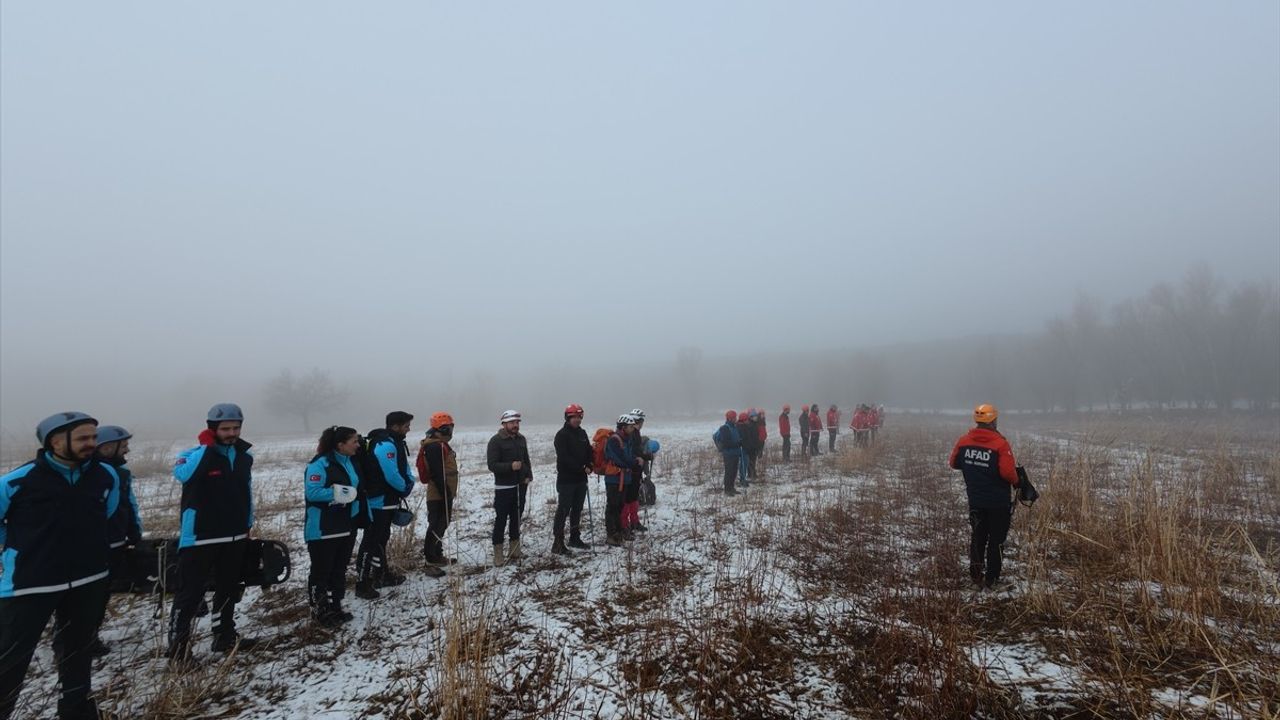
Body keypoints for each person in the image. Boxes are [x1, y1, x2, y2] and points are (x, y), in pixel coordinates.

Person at [1, 412, 120, 720]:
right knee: (10, 659)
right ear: (54, 441)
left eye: (93, 437)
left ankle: (77, 710)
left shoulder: (106, 475)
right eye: (83, 438)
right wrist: (21, 545)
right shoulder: (18, 481)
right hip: (31, 582)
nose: (91, 444)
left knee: (78, 652)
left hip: (89, 577)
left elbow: (107, 512)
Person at [166, 403, 259, 664]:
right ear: (211, 429)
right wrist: (206, 447)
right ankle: (178, 649)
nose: (231, 433)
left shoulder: (243, 457)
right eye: (225, 429)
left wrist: (247, 523)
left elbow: (246, 492)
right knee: (190, 594)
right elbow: (186, 475)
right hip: (200, 536)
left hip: (234, 535)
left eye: (236, 428)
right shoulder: (192, 455)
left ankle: (224, 635)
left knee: (228, 588)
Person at [949, 404, 1022, 589]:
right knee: (996, 540)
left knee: (978, 536)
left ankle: (975, 577)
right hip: (998, 502)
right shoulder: (1000, 444)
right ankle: (992, 580)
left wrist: (974, 468)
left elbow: (954, 463)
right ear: (993, 421)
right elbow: (1008, 473)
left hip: (975, 499)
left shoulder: (964, 441)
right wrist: (1018, 482)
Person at [303, 426, 365, 626]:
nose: (358, 444)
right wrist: (342, 494)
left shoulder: (350, 462)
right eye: (354, 441)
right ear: (340, 445)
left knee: (339, 569)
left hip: (346, 525)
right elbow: (312, 492)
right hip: (322, 528)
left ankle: (335, 605)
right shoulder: (319, 464)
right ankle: (320, 611)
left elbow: (355, 490)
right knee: (322, 571)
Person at [92, 425, 143, 656]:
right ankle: (77, 640)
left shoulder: (122, 474)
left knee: (102, 593)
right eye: (123, 446)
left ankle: (89, 637)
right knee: (89, 596)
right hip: (94, 547)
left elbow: (128, 504)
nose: (127, 450)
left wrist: (134, 531)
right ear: (107, 447)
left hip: (115, 543)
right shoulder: (90, 474)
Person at [355, 411, 415, 599]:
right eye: (406, 426)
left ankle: (381, 575)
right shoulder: (385, 445)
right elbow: (390, 473)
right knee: (371, 541)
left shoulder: (394, 442)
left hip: (387, 501)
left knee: (381, 539)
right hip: (378, 501)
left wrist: (409, 482)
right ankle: (362, 582)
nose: (408, 429)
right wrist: (404, 488)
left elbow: (403, 467)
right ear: (395, 426)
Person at [487, 410, 532, 566]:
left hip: (520, 486)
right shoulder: (496, 441)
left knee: (516, 518)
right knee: (501, 519)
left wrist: (528, 476)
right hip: (503, 488)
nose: (515, 425)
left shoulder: (521, 439)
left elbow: (526, 459)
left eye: (517, 422)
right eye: (512, 422)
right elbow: (492, 465)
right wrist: (510, 466)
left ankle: (514, 550)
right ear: (504, 423)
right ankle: (498, 554)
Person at [418, 412, 459, 572]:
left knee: (442, 523)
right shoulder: (435, 446)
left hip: (443, 492)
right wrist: (445, 492)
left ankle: (437, 554)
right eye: (449, 427)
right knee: (436, 525)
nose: (451, 431)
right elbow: (436, 472)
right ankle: (430, 560)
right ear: (442, 429)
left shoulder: (438, 444)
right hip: (438, 493)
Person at [552, 404, 593, 554]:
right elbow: (564, 458)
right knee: (563, 510)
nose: (577, 420)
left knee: (577, 509)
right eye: (573, 417)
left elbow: (588, 451)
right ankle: (557, 542)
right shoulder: (561, 435)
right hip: (566, 480)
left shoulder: (582, 433)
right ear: (568, 418)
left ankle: (575, 538)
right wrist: (582, 468)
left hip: (581, 480)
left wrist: (590, 464)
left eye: (579, 417)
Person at [605, 414, 643, 539]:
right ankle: (612, 534)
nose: (633, 429)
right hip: (614, 479)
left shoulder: (627, 440)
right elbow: (621, 459)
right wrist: (636, 462)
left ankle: (620, 530)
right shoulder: (614, 440)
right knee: (613, 506)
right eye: (630, 426)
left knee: (620, 505)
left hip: (625, 478)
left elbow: (628, 456)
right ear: (623, 427)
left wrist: (635, 459)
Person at [713, 410, 742, 496]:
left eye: (735, 417)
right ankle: (727, 490)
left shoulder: (734, 427)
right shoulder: (725, 428)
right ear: (729, 418)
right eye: (734, 417)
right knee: (729, 472)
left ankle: (732, 488)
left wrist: (740, 442)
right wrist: (738, 443)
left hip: (735, 453)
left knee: (734, 471)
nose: (735, 419)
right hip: (728, 454)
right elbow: (727, 443)